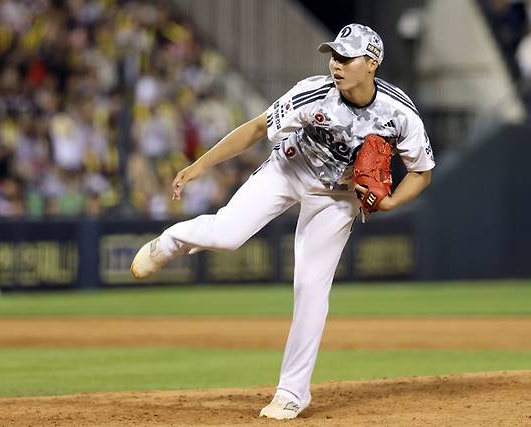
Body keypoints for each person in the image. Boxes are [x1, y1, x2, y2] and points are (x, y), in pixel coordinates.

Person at [131, 24, 435, 419]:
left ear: (372, 63)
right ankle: (172, 241)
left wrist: (391, 203)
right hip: (287, 169)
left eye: (346, 57)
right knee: (226, 235)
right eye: (334, 55)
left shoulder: (399, 113)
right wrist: (200, 165)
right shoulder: (312, 92)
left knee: (311, 288)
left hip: (337, 198)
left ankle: (292, 392)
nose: (336, 64)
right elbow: (258, 128)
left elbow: (421, 171)